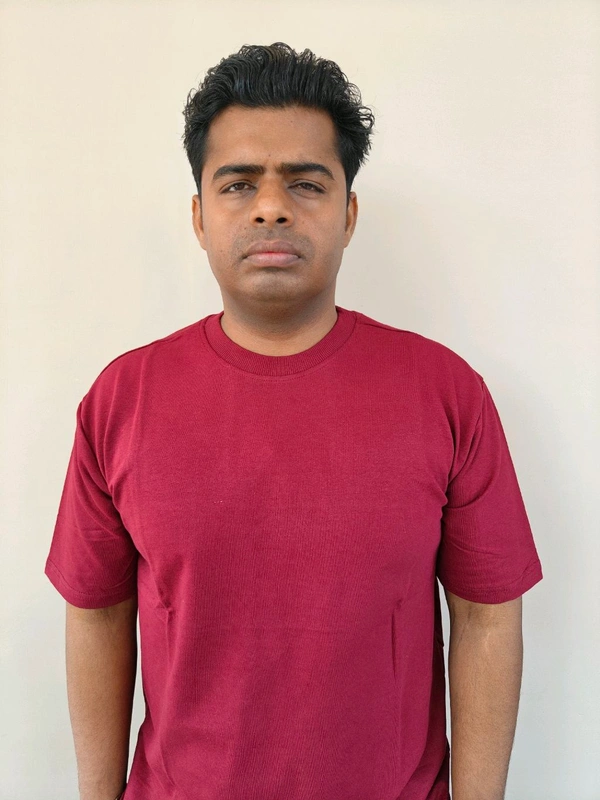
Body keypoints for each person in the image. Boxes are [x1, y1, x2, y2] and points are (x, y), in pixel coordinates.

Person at [44, 42, 543, 800]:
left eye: (306, 183)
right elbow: (97, 614)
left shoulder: (446, 393)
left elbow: (487, 618)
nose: (271, 207)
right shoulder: (121, 400)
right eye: (239, 183)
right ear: (199, 216)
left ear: (348, 214)